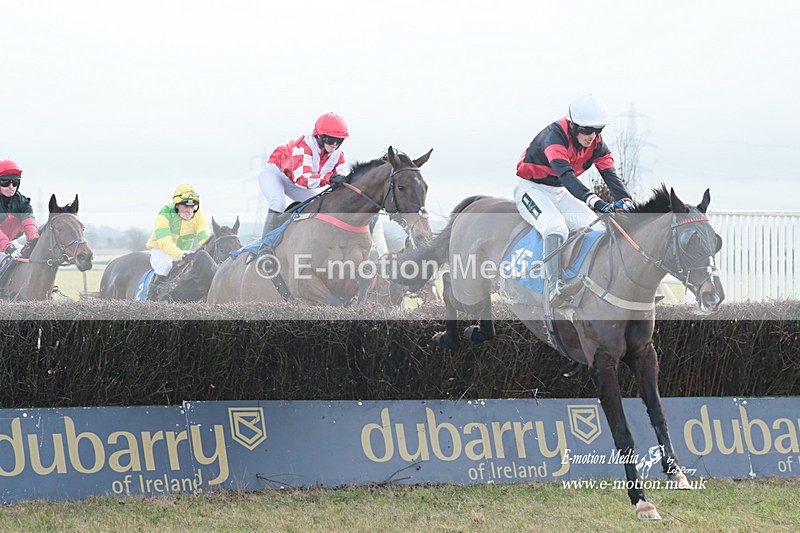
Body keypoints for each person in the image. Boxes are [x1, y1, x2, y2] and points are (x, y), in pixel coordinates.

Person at [514, 93, 635, 303]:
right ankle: (554, 287)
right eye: (587, 129)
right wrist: (596, 201)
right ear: (572, 125)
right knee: (555, 227)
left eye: (599, 129)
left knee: (598, 231)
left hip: (558, 191)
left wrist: (627, 201)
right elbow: (567, 177)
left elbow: (610, 175)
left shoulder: (597, 144)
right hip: (532, 188)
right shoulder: (554, 138)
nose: (593, 135)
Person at [258, 112, 350, 238]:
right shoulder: (303, 147)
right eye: (331, 139)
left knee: (318, 205)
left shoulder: (338, 154)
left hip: (292, 182)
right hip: (275, 174)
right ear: (320, 137)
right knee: (278, 201)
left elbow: (343, 174)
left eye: (339, 140)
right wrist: (329, 178)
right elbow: (303, 179)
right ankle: (265, 245)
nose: (335, 144)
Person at [144, 184, 211, 299]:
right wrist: (181, 254)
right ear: (177, 205)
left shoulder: (199, 216)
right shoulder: (164, 213)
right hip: (161, 249)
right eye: (185, 206)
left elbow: (205, 239)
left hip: (183, 251)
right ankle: (151, 300)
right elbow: (165, 242)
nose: (189, 210)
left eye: (192, 206)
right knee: (165, 265)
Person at [0, 159, 39, 259]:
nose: (11, 187)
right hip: (6, 245)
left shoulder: (23, 203)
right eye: (5, 182)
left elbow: (30, 225)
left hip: (11, 242)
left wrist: (34, 243)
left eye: (15, 182)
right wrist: (9, 248)